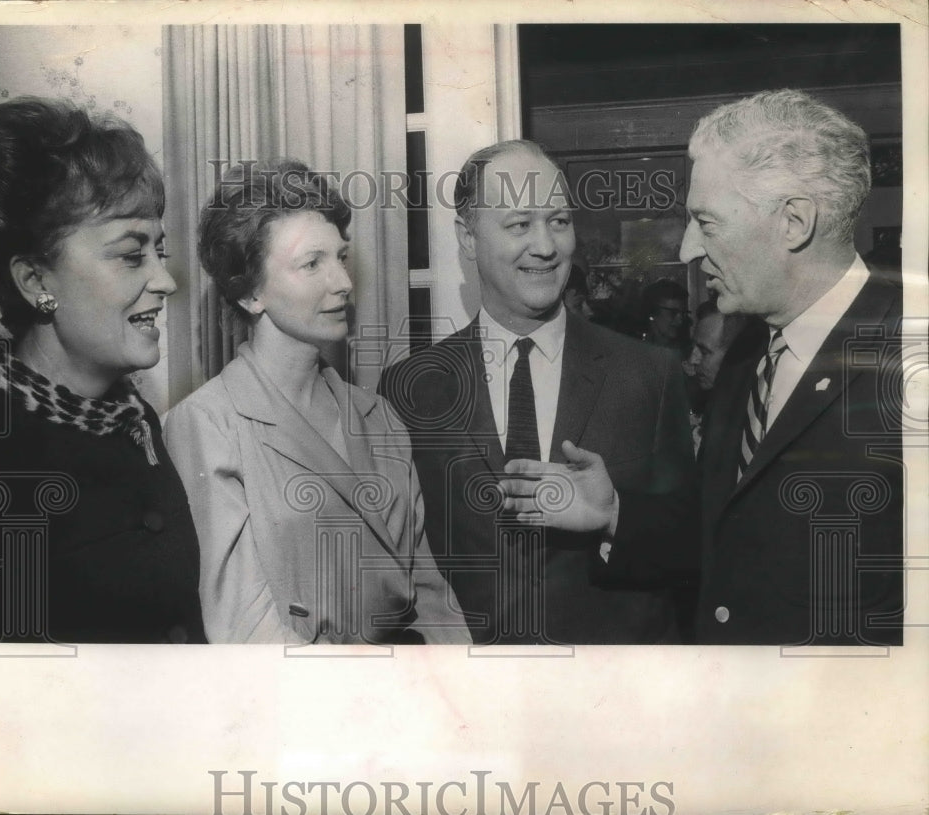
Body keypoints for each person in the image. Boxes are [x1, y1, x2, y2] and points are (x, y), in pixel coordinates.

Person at [502, 90, 904, 646]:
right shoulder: (747, 355)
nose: (688, 248)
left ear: (793, 222)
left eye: (706, 223)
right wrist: (614, 511)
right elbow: (728, 536)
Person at [379, 140, 697, 645]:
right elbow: (398, 562)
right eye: (519, 224)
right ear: (467, 237)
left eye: (559, 221)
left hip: (610, 697)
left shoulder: (650, 373)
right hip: (472, 700)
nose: (546, 246)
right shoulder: (411, 387)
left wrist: (615, 514)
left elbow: (694, 544)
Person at [164, 162, 469, 645]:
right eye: (312, 264)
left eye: (341, 258)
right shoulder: (206, 424)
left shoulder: (379, 416)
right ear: (250, 292)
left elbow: (429, 593)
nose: (343, 282)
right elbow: (243, 629)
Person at [0, 97, 206, 644]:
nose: (166, 282)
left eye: (160, 251)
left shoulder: (133, 419)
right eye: (132, 255)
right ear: (36, 282)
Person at [641, 278, 690, 353]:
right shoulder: (635, 350)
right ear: (653, 311)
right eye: (673, 313)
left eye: (683, 313)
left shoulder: (686, 353)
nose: (680, 321)